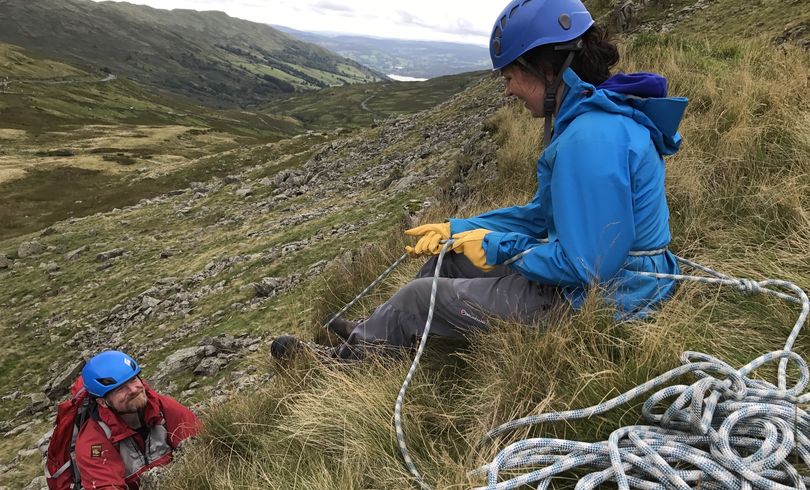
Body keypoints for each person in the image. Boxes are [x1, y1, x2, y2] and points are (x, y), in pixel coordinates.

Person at [272, 0, 686, 361]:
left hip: (607, 301)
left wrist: (495, 245)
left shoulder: (591, 139)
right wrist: (458, 229)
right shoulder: (590, 122)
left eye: (509, 77)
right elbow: (542, 216)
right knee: (449, 259)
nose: (507, 91)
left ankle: (351, 361)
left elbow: (586, 266)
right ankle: (376, 336)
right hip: (605, 282)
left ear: (546, 68)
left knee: (422, 297)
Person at [75, 350, 200, 489]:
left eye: (133, 379)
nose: (134, 390)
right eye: (120, 388)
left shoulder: (164, 409)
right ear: (103, 402)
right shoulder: (93, 441)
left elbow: (203, 450)